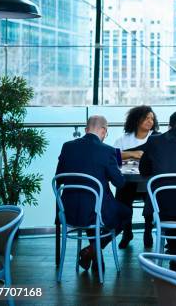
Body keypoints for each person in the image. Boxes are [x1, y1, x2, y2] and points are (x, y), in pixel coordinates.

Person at [55, 115, 131, 273]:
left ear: (85, 130)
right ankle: (92, 250)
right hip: (94, 213)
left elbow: (59, 177)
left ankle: (95, 256)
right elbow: (120, 183)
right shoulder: (109, 150)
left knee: (93, 206)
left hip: (67, 211)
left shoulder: (67, 146)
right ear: (104, 131)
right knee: (125, 213)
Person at [139, 110, 176, 250]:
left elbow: (144, 171)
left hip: (160, 208)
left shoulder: (154, 140)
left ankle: (174, 251)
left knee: (170, 195)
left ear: (170, 126)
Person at [113, 105, 160, 249]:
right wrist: (133, 154)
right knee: (123, 191)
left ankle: (148, 231)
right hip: (129, 181)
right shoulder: (124, 139)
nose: (150, 121)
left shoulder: (157, 138)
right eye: (146, 118)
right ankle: (127, 232)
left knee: (150, 192)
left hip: (147, 181)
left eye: (152, 118)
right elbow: (113, 156)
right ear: (136, 119)